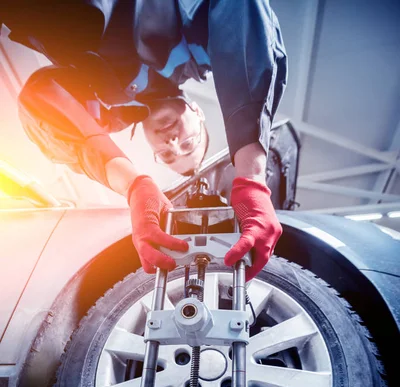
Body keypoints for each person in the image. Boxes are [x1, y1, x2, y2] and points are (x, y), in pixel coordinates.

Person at [1, 0, 287, 280]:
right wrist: (251, 179)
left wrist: (134, 186)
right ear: (197, 112)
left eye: (166, 155)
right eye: (188, 144)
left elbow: (42, 98)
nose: (172, 143)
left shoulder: (105, 109)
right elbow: (240, 15)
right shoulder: (196, 46)